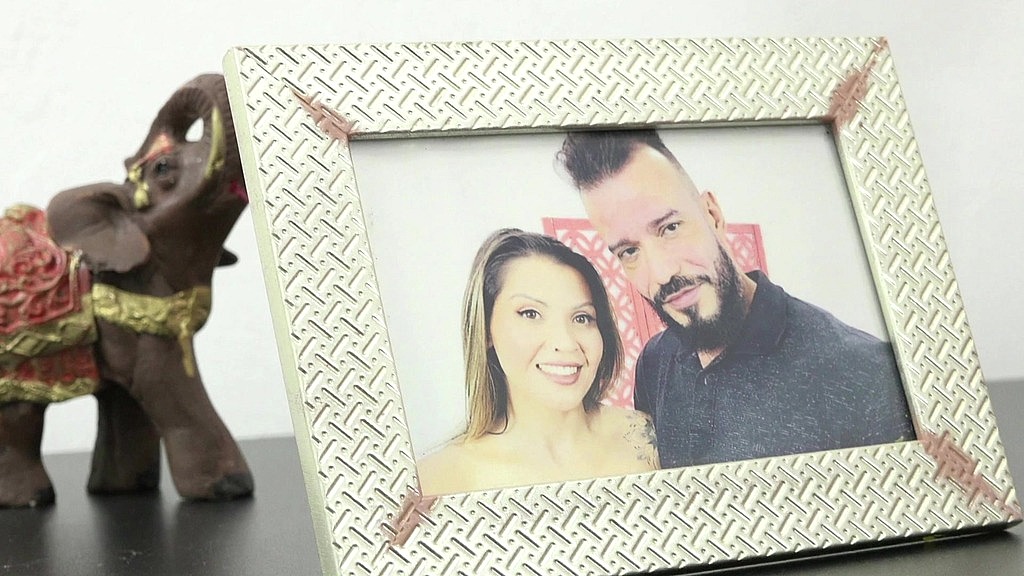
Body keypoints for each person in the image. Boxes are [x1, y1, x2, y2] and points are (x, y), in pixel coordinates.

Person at [555, 130, 915, 469]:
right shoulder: (654, 362)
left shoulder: (871, 376)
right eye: (630, 251)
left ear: (712, 215)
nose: (662, 273)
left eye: (670, 228)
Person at [417, 229, 659, 495]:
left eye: (582, 318)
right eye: (530, 314)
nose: (566, 343)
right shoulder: (439, 481)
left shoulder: (648, 438)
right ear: (486, 330)